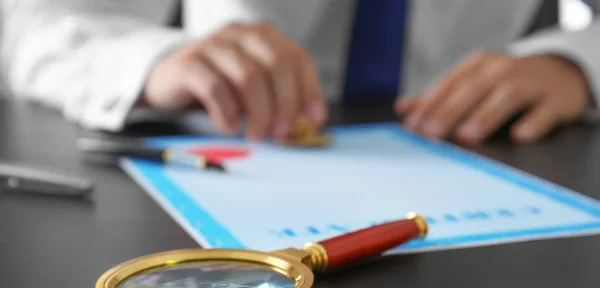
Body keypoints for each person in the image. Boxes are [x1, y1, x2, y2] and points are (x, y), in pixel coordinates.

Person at [1, 0, 599, 145]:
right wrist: (152, 60)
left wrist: (578, 61)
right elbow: (32, 24)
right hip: (238, 136)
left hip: (489, 137)